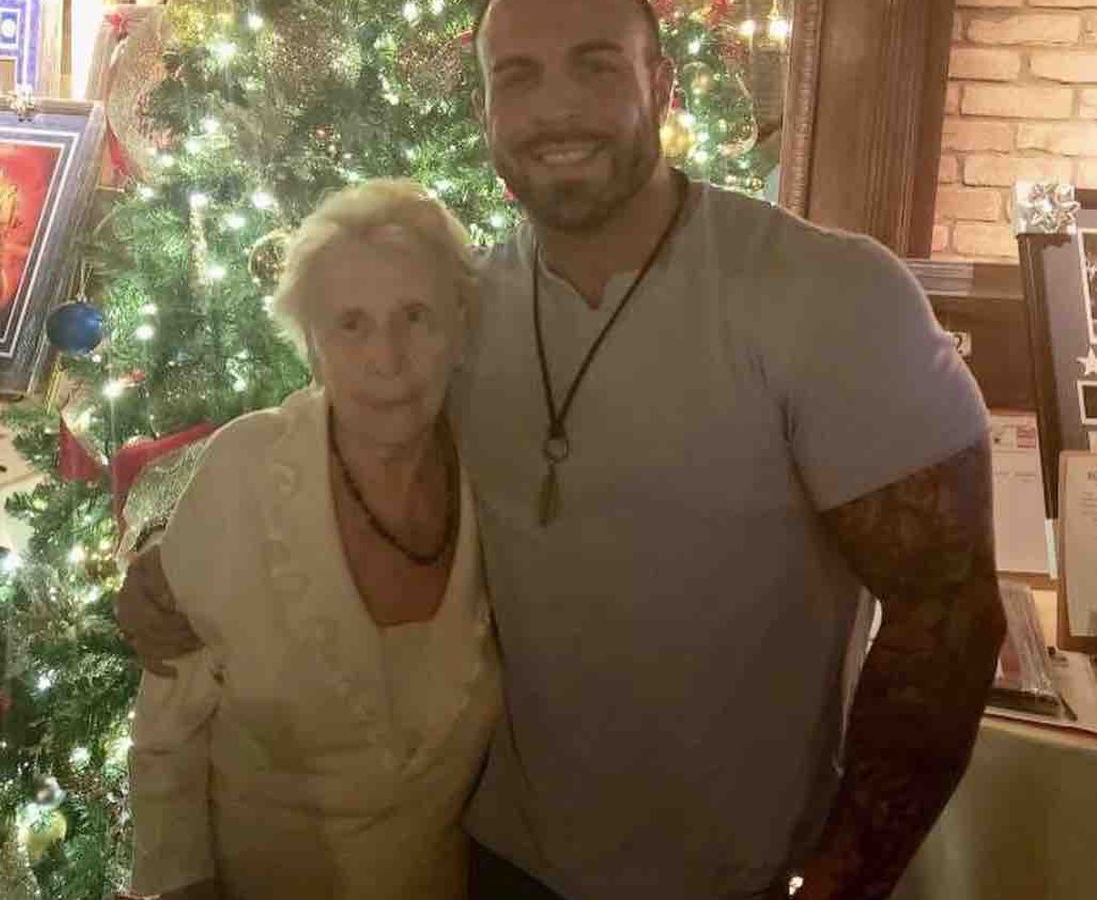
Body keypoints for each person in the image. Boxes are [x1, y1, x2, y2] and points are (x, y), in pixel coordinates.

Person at [119, 1, 1006, 897]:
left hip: (731, 877)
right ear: (486, 111)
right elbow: (340, 429)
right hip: (497, 860)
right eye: (518, 76)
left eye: (595, 65)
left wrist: (841, 884)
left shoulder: (829, 297)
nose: (556, 108)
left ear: (660, 84)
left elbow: (948, 620)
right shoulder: (463, 313)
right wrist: (178, 550)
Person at [125, 179, 502, 900]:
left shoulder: (497, 476)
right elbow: (166, 740)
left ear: (460, 327)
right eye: (350, 324)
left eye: (416, 316)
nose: (387, 358)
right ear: (311, 345)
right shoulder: (246, 471)